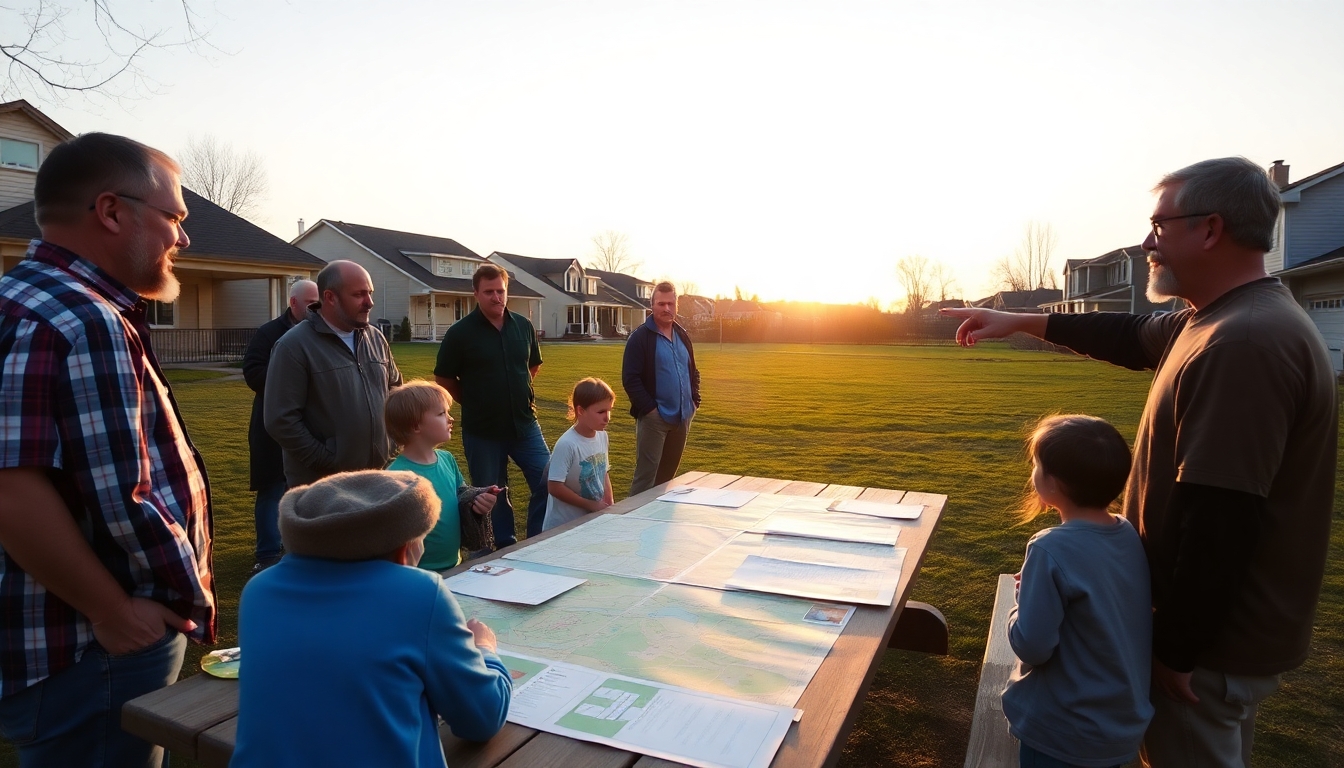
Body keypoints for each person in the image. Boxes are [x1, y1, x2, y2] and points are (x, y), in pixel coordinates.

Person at [944, 157, 1337, 767]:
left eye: (1159, 226)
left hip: (1209, 649)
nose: (1147, 244)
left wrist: (1176, 651)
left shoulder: (1245, 342)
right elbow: (1129, 336)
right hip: (1206, 638)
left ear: (1210, 228)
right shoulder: (1212, 318)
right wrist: (1022, 319)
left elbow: (1224, 518)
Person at [0, 133, 215, 767]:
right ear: (112, 211)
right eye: (173, 216)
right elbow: (13, 490)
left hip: (78, 643)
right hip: (89, 650)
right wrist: (113, 610)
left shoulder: (25, 299)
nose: (182, 237)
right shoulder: (80, 318)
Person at [231, 470, 513, 766]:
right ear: (405, 547)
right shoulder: (419, 593)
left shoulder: (259, 592)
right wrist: (485, 650)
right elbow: (482, 718)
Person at [1004, 415, 1153, 768]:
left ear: (1051, 483)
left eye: (1036, 464)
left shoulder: (1049, 548)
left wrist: (1019, 604)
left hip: (1063, 732)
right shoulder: (1127, 532)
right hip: (1115, 725)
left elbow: (1034, 645)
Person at [435, 263, 548, 548]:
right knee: (491, 494)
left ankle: (536, 539)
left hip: (524, 423)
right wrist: (472, 400)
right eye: (489, 292)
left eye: (501, 291)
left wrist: (516, 392)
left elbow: (532, 365)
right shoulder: (460, 333)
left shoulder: (523, 326)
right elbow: (444, 377)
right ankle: (503, 545)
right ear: (476, 293)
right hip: (482, 430)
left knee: (548, 479)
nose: (497, 297)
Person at [264, 260, 403, 487]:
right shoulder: (293, 346)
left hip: (379, 476)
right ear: (330, 297)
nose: (370, 302)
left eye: (370, 293)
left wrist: (392, 442)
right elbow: (281, 421)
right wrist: (328, 460)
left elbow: (395, 389)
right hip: (323, 488)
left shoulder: (375, 337)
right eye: (359, 295)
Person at [242, 278, 318, 574]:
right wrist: (292, 384)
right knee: (272, 488)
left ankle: (300, 546)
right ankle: (268, 554)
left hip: (310, 429)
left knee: (306, 489)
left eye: (318, 303)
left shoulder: (320, 333)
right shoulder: (270, 333)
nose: (315, 308)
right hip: (271, 428)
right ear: (293, 303)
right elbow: (252, 372)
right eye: (310, 303)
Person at [384, 380, 501, 571]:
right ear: (416, 426)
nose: (450, 418)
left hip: (455, 566)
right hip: (419, 574)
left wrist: (477, 502)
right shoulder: (396, 477)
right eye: (441, 413)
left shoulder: (447, 459)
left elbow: (461, 497)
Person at [622, 281, 701, 495]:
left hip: (682, 418)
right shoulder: (640, 338)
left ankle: (657, 524)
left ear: (677, 306)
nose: (666, 308)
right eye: (661, 304)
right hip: (655, 420)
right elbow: (630, 379)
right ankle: (632, 525)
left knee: (666, 480)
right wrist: (650, 409)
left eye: (671, 304)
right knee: (645, 479)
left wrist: (694, 400)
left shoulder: (682, 335)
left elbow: (693, 371)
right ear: (652, 306)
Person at [543, 378, 616, 531]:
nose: (607, 418)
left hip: (590, 521)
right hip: (562, 527)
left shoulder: (602, 436)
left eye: (609, 410)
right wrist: (590, 505)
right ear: (580, 411)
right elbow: (555, 487)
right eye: (601, 412)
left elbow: (603, 471)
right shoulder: (567, 444)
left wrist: (609, 501)